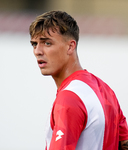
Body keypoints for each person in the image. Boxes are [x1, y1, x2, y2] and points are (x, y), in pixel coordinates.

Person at [29, 10, 128, 150]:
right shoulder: (105, 90)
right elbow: (124, 143)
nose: (37, 51)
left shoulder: (69, 98)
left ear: (70, 46)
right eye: (34, 44)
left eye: (47, 43)